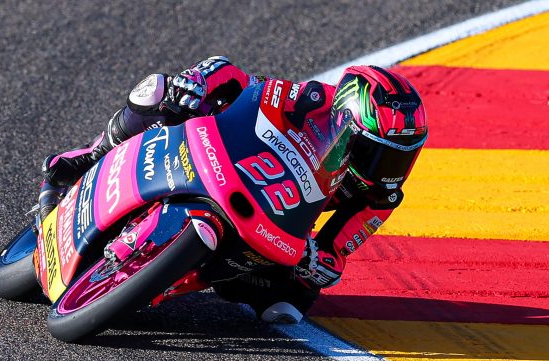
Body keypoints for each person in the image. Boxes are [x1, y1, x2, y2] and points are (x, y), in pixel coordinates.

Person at [41, 56, 427, 323]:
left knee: (289, 304)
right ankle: (89, 156)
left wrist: (319, 261)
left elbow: (336, 252)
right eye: (376, 153)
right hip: (225, 159)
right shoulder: (310, 100)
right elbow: (239, 80)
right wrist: (197, 83)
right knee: (160, 95)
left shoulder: (381, 197)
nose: (388, 171)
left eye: (401, 158)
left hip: (271, 220)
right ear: (345, 123)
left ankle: (176, 277)